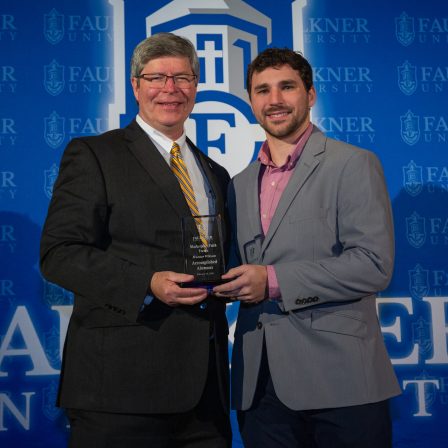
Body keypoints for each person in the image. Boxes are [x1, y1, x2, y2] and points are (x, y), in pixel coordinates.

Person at [40, 32, 231, 448]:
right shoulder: (95, 155)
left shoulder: (215, 171)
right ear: (135, 86)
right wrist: (146, 282)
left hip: (205, 395)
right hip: (120, 391)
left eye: (182, 77)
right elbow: (59, 253)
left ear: (196, 85)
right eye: (156, 77)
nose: (170, 89)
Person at [213, 48, 401, 447]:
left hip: (342, 381)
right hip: (260, 387)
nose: (274, 100)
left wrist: (274, 280)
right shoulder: (239, 183)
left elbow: (373, 265)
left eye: (287, 87)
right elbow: (230, 268)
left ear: (311, 95)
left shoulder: (352, 164)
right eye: (262, 90)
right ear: (251, 101)